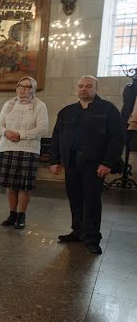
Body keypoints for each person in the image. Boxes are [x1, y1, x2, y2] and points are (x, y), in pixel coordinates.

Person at [50, 76, 124, 254]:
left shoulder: (108, 109)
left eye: (88, 86)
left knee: (91, 201)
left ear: (96, 89)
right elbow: (56, 137)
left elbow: (117, 139)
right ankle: (77, 232)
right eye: (81, 86)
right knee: (75, 198)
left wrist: (107, 162)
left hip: (95, 165)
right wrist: (54, 160)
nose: (84, 89)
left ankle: (91, 237)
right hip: (72, 163)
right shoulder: (67, 111)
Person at [0, 76, 49, 229]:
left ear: (33, 89)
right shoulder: (9, 104)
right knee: (10, 185)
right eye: (20, 86)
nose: (23, 89)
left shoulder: (40, 105)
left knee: (24, 186)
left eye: (27, 87)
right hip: (7, 147)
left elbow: (43, 128)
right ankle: (12, 214)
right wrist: (6, 132)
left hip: (28, 149)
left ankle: (21, 216)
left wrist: (21, 135)